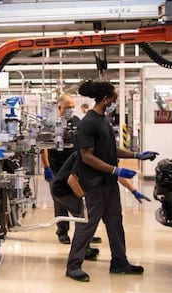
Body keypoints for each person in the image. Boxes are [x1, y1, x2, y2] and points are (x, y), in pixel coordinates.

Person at [66, 80, 159, 282]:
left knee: (115, 223)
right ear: (106, 98)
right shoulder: (88, 123)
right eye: (114, 98)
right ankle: (73, 266)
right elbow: (87, 156)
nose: (115, 101)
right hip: (93, 184)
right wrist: (115, 169)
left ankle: (119, 262)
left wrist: (136, 156)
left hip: (108, 184)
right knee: (87, 225)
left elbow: (110, 149)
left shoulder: (104, 120)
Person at [51, 152, 151, 260]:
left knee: (88, 217)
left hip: (70, 190)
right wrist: (84, 199)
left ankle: (85, 247)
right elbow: (71, 180)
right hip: (63, 191)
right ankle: (81, 252)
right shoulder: (86, 157)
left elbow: (115, 174)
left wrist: (134, 191)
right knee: (85, 217)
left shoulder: (101, 157)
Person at [42, 94, 100, 245]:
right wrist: (47, 167)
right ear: (60, 107)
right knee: (60, 201)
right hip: (56, 167)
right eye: (68, 107)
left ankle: (84, 231)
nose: (71, 110)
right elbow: (44, 148)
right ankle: (62, 232)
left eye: (73, 107)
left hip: (74, 168)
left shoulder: (77, 121)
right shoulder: (50, 124)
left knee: (81, 199)